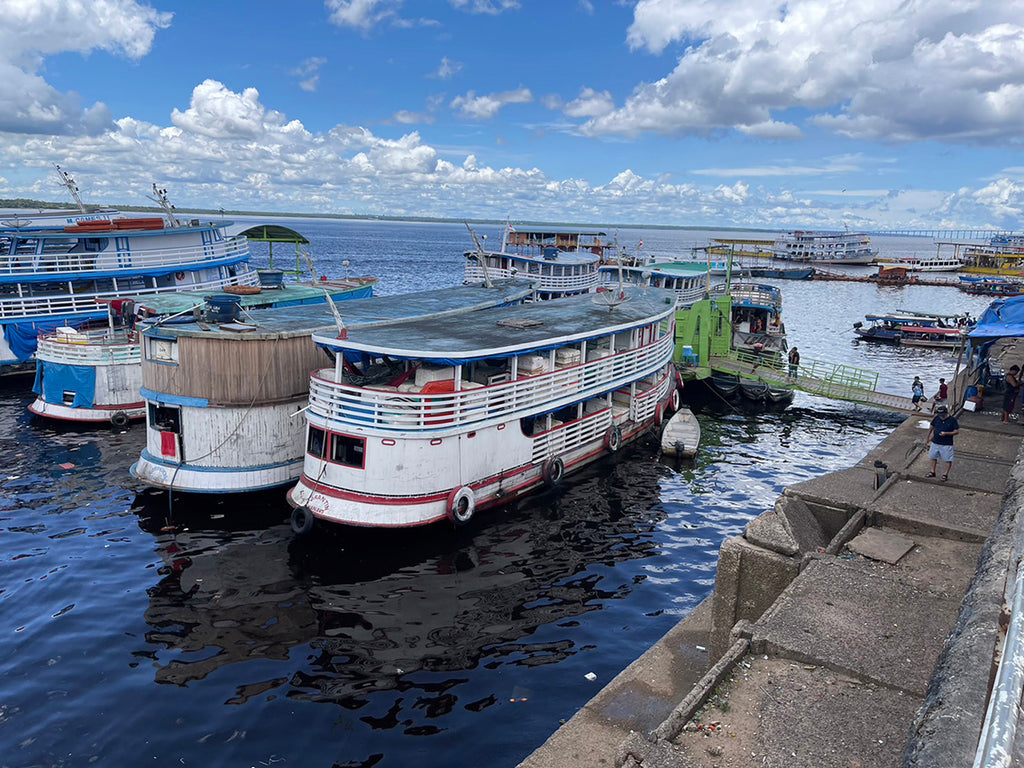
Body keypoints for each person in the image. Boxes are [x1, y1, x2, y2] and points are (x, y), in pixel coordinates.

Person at [926, 404, 959, 481]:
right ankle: (932, 471)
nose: (941, 416)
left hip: (947, 443)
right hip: (935, 442)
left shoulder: (952, 420)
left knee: (948, 459)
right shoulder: (937, 418)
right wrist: (928, 437)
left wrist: (946, 433)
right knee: (933, 457)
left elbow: (956, 431)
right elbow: (932, 426)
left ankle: (945, 474)